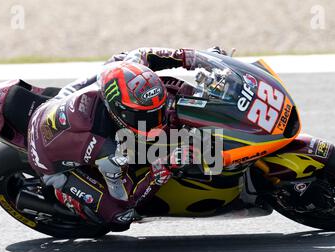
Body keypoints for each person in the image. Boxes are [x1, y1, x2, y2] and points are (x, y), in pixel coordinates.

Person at [27, 48, 203, 231]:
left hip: (59, 103)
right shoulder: (106, 149)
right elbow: (124, 196)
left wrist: (194, 58)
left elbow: (145, 52)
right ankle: (65, 196)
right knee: (120, 217)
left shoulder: (123, 68)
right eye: (145, 117)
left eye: (159, 111)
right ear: (119, 112)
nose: (158, 120)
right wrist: (160, 171)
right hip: (45, 156)